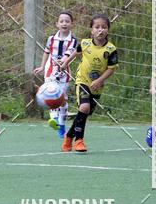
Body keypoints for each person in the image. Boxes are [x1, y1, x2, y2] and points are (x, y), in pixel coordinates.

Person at [60, 14, 118, 153]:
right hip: (82, 80)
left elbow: (111, 69)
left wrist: (99, 80)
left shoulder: (111, 49)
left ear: (108, 30)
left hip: (97, 85)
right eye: (97, 27)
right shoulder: (85, 44)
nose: (100, 30)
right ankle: (79, 140)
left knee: (84, 113)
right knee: (84, 107)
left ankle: (69, 136)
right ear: (92, 30)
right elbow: (75, 53)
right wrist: (65, 63)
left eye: (104, 27)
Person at [33, 11, 78, 139]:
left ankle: (61, 127)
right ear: (57, 24)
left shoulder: (73, 41)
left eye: (67, 21)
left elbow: (69, 53)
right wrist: (42, 66)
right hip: (50, 72)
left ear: (72, 24)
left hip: (64, 73)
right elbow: (46, 52)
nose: (64, 23)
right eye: (61, 21)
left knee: (62, 100)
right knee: (50, 95)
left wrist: (63, 61)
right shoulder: (51, 39)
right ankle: (54, 120)